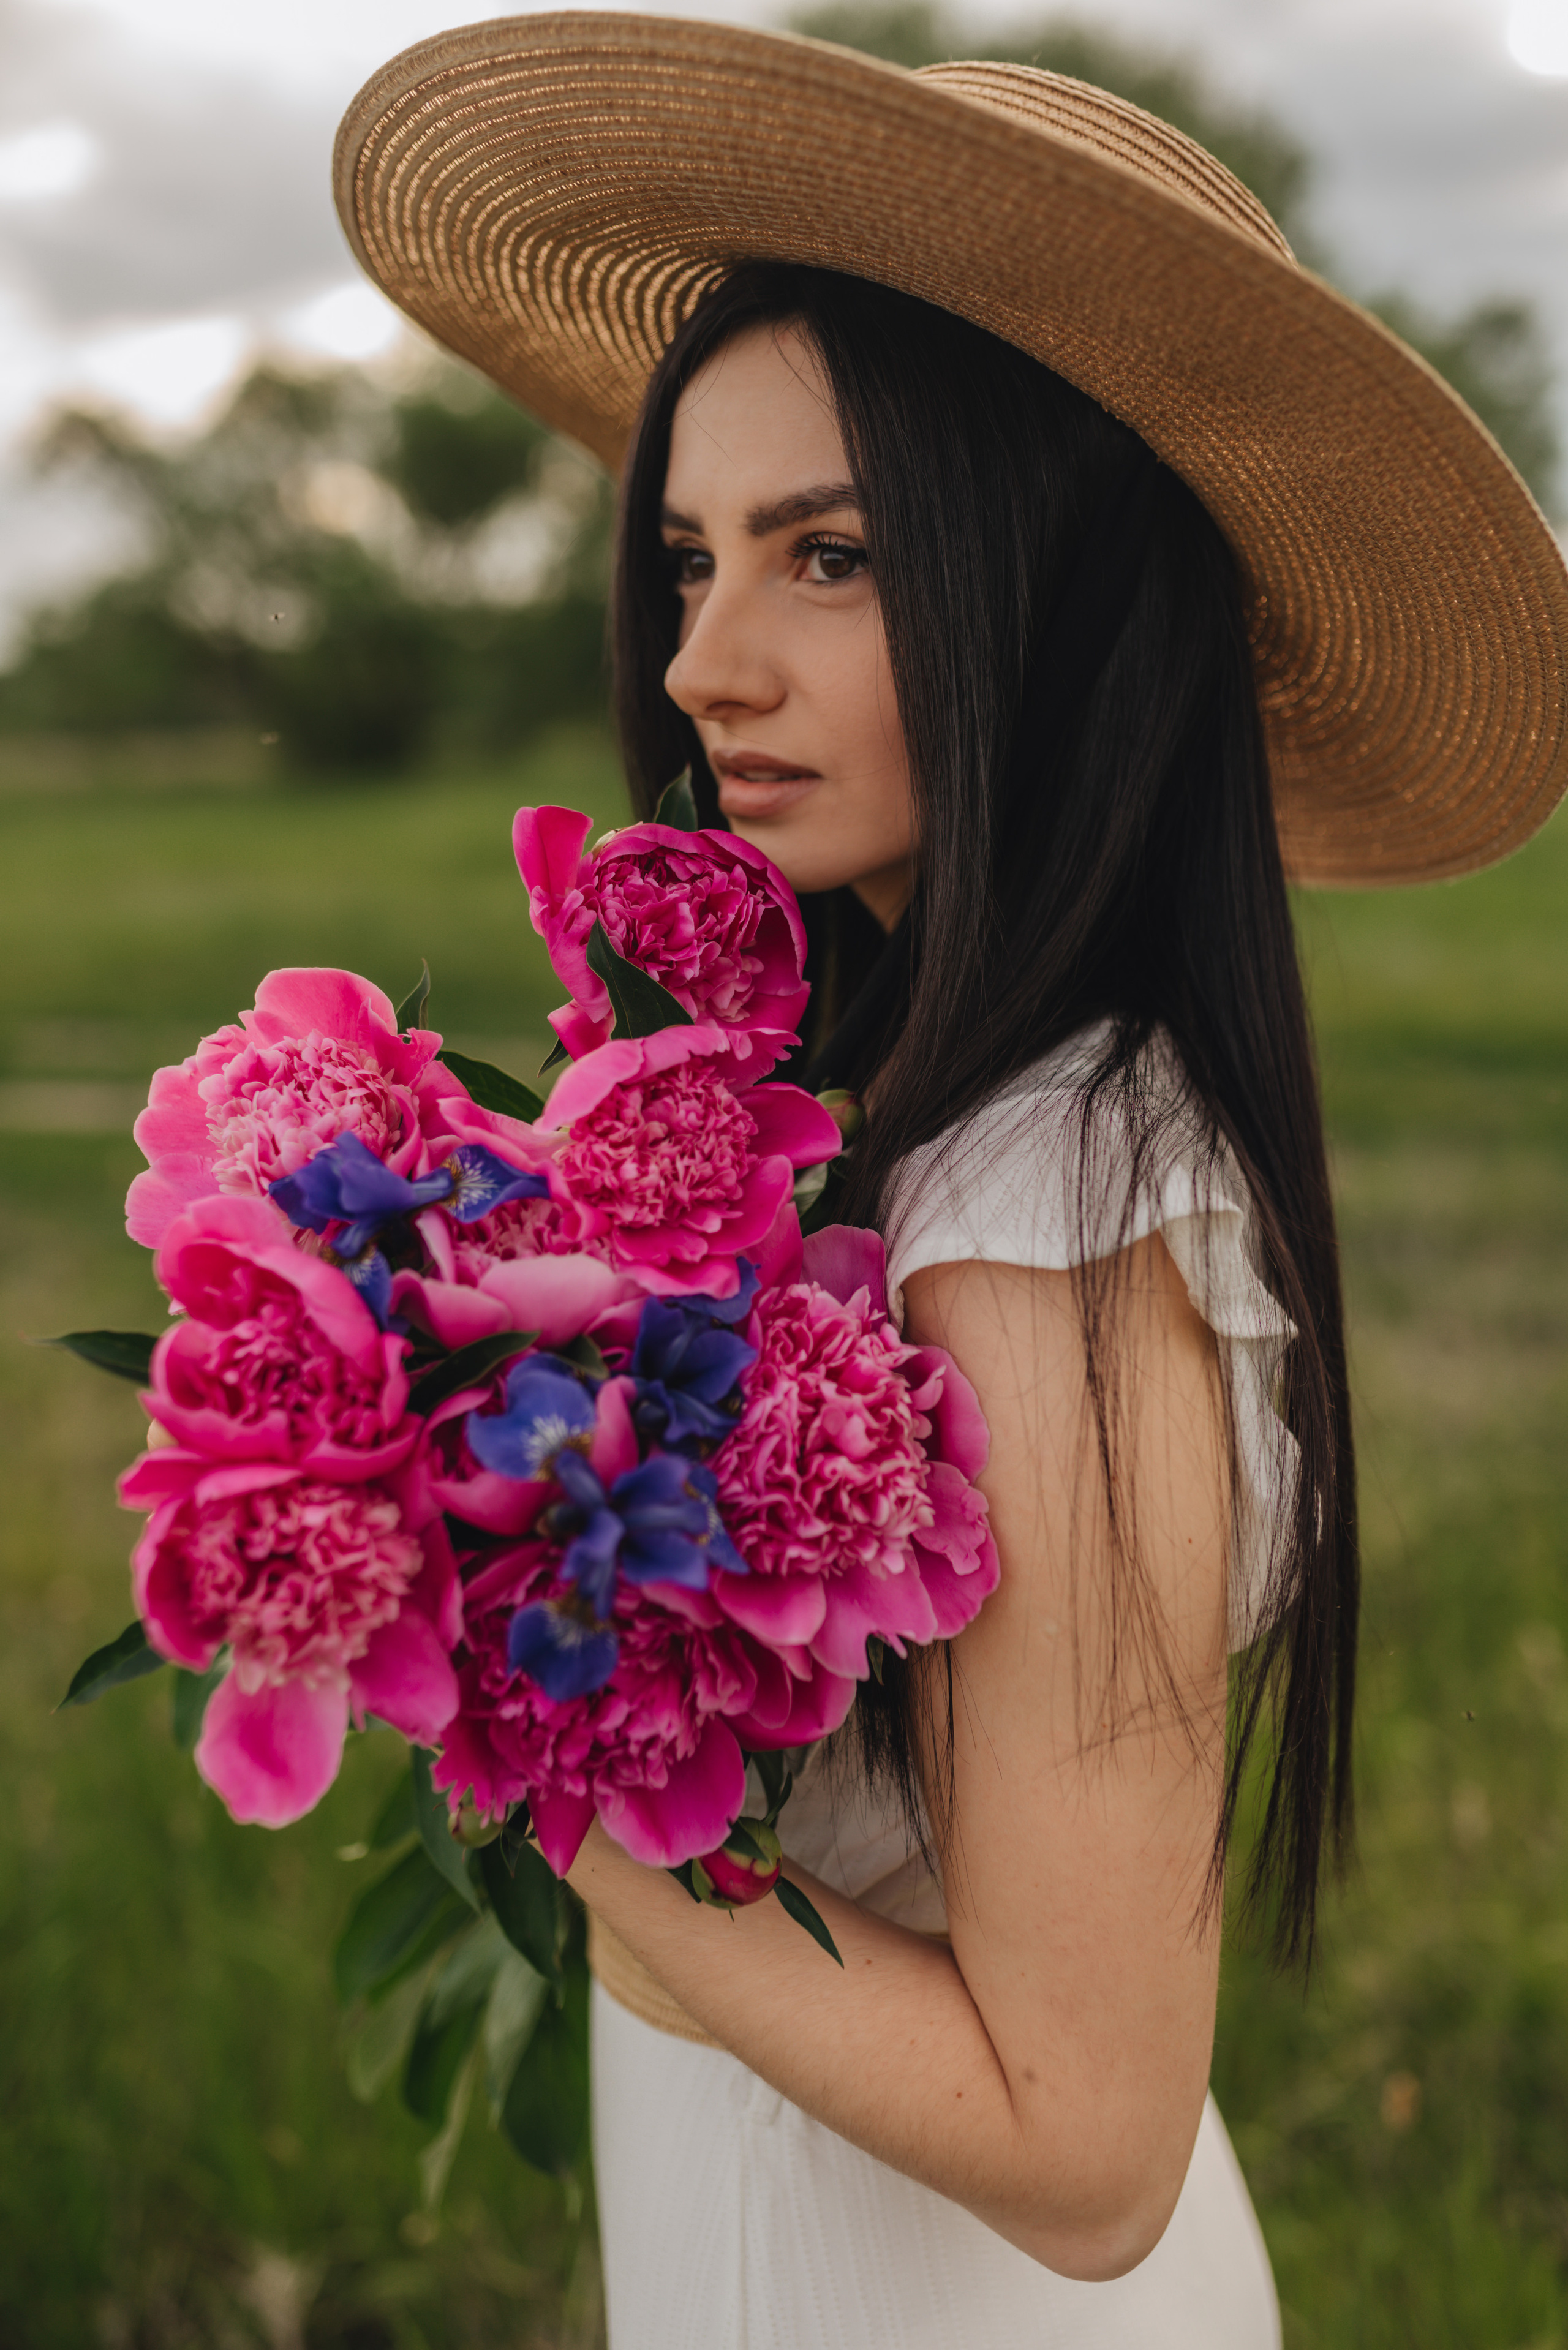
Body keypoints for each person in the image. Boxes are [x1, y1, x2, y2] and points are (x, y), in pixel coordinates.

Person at [335, 19, 1568, 2345]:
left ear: (1069, 605)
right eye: (692, 557)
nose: (701, 661)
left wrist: (517, 1728)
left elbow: (1084, 2151)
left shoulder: (1045, 1186)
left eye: (835, 554)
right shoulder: (894, 1087)